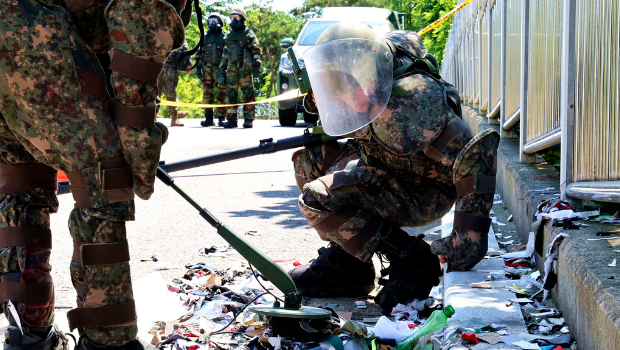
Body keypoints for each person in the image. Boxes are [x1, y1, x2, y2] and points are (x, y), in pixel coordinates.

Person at [0, 0, 187, 348]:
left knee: (20, 181)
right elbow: (140, 19)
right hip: (32, 35)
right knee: (103, 183)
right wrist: (137, 141)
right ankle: (108, 340)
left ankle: (29, 332)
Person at [289, 22, 499, 314]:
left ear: (371, 78)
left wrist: (466, 241)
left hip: (423, 189)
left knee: (317, 197)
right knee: (309, 160)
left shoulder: (410, 106)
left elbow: (477, 153)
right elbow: (337, 120)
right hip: (386, 162)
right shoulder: (369, 74)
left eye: (345, 88)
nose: (339, 98)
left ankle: (412, 259)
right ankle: (351, 265)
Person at [219, 7, 262, 129]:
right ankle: (231, 119)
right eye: (231, 18)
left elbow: (256, 49)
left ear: (242, 19)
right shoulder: (229, 35)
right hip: (231, 67)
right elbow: (225, 53)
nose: (233, 21)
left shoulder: (248, 34)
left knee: (248, 93)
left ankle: (248, 119)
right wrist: (222, 68)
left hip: (245, 67)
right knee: (231, 93)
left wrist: (256, 64)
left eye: (236, 18)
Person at [196, 12, 228, 127]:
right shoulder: (204, 37)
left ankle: (221, 118)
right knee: (207, 95)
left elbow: (228, 54)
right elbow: (199, 53)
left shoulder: (225, 36)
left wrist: (226, 69)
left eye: (215, 20)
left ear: (220, 22)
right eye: (210, 21)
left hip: (220, 70)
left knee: (221, 93)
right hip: (207, 69)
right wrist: (198, 68)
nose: (212, 23)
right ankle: (208, 119)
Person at [159, 42, 192, 127]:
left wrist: (188, 63)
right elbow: (185, 49)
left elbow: (184, 49)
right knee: (165, 93)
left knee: (167, 93)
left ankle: (174, 116)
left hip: (163, 66)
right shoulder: (177, 32)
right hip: (163, 66)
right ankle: (174, 116)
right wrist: (188, 63)